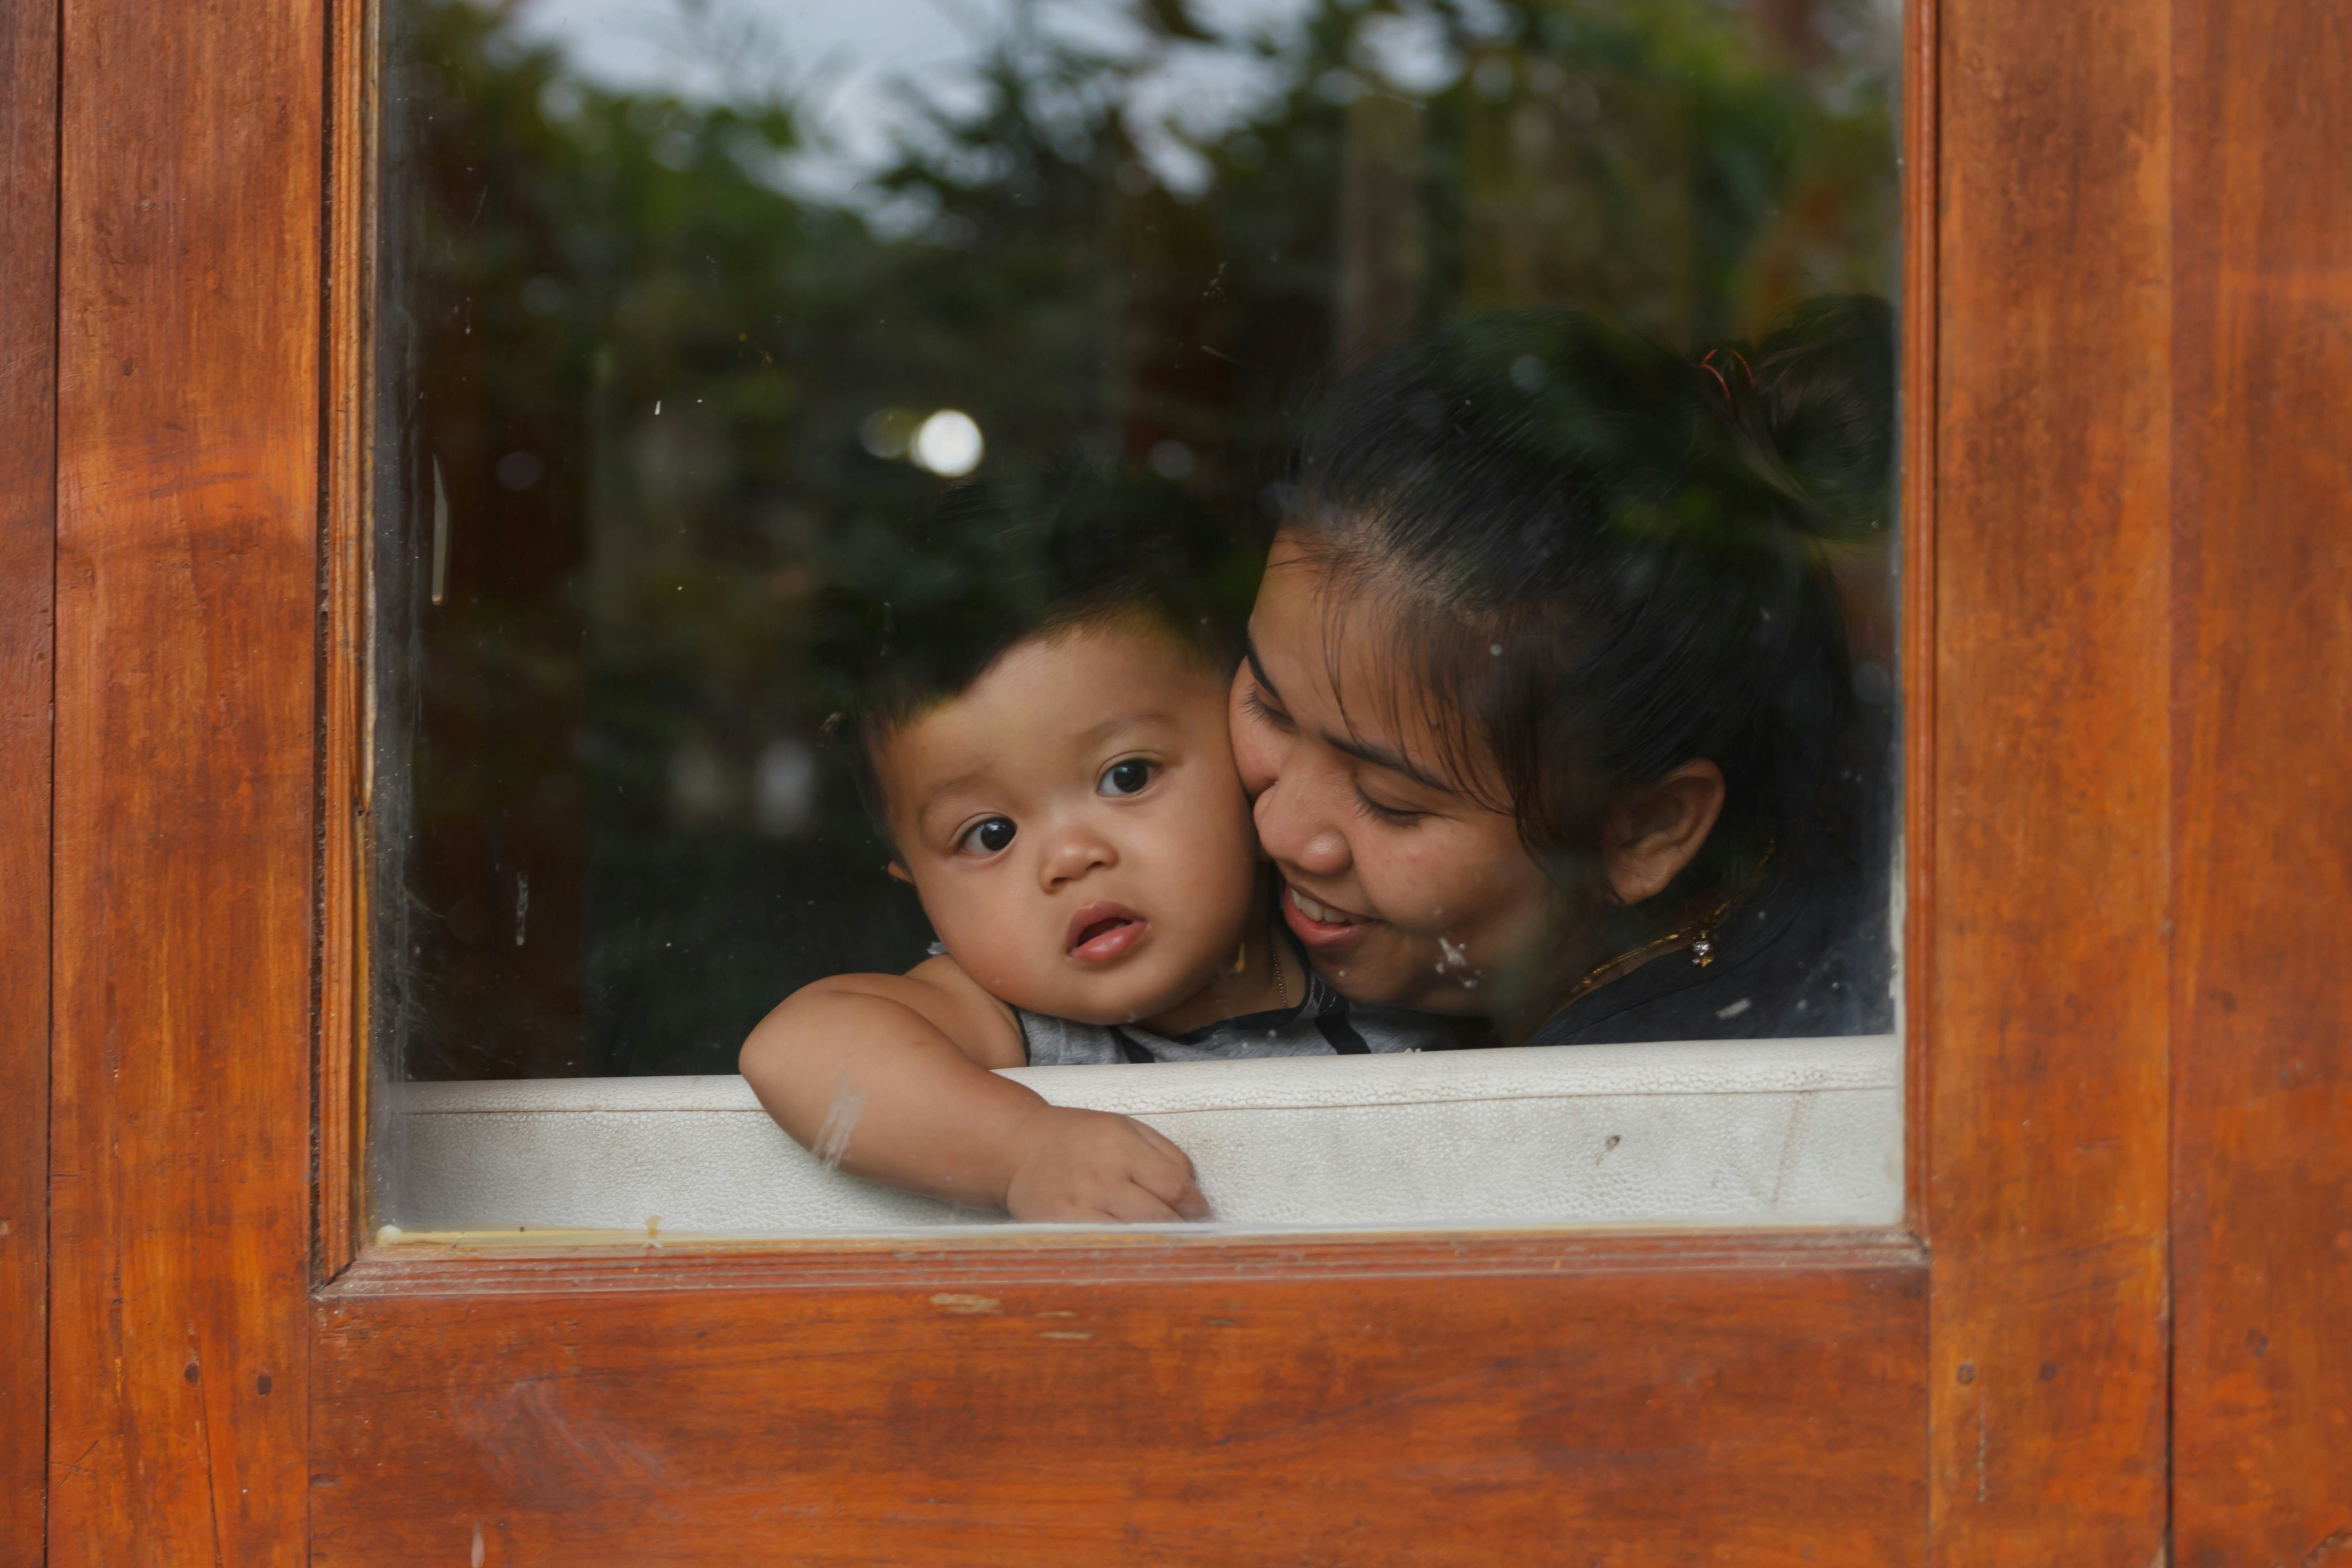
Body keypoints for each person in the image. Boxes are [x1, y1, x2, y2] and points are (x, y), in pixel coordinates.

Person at [738, 474, 1456, 1222]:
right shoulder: (1006, 1024)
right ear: (917, 885)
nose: (1071, 858)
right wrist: (1019, 1149)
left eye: (1127, 776)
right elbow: (797, 1048)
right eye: (990, 835)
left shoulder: (1366, 948)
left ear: (1242, 750)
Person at [1231, 296, 1896, 1047]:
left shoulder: (1668, 1088)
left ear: (1647, 829)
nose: (1280, 830)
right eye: (1269, 707)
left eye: (1390, 803)